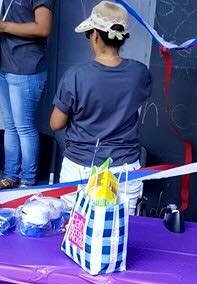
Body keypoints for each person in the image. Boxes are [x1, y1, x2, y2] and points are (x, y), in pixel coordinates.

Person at [50, 1, 152, 214]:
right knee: (116, 234)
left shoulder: (75, 76)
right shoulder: (140, 73)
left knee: (74, 230)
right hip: (124, 170)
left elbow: (56, 123)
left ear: (95, 35)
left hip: (79, 168)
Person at [0, 0, 55, 190]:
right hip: (4, 65)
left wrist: (3, 26)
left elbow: (43, 27)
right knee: (10, 126)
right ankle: (10, 176)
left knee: (24, 128)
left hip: (26, 68)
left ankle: (27, 180)